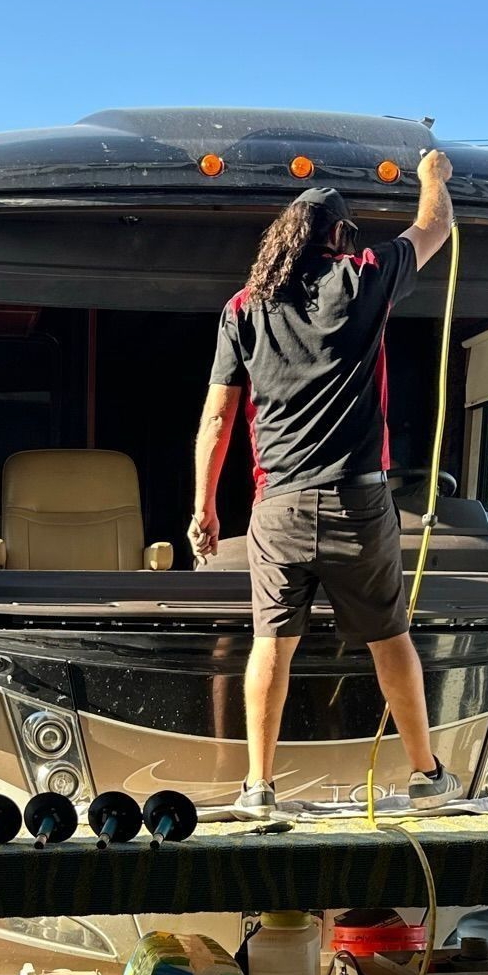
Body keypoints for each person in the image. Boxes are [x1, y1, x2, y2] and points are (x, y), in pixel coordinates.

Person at [189, 150, 458, 817]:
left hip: (274, 507)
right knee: (389, 636)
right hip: (357, 501)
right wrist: (433, 179)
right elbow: (435, 227)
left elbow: (218, 417)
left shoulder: (243, 307)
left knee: (269, 644)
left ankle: (258, 786)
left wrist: (204, 508)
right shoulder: (361, 278)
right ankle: (426, 775)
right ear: (340, 238)